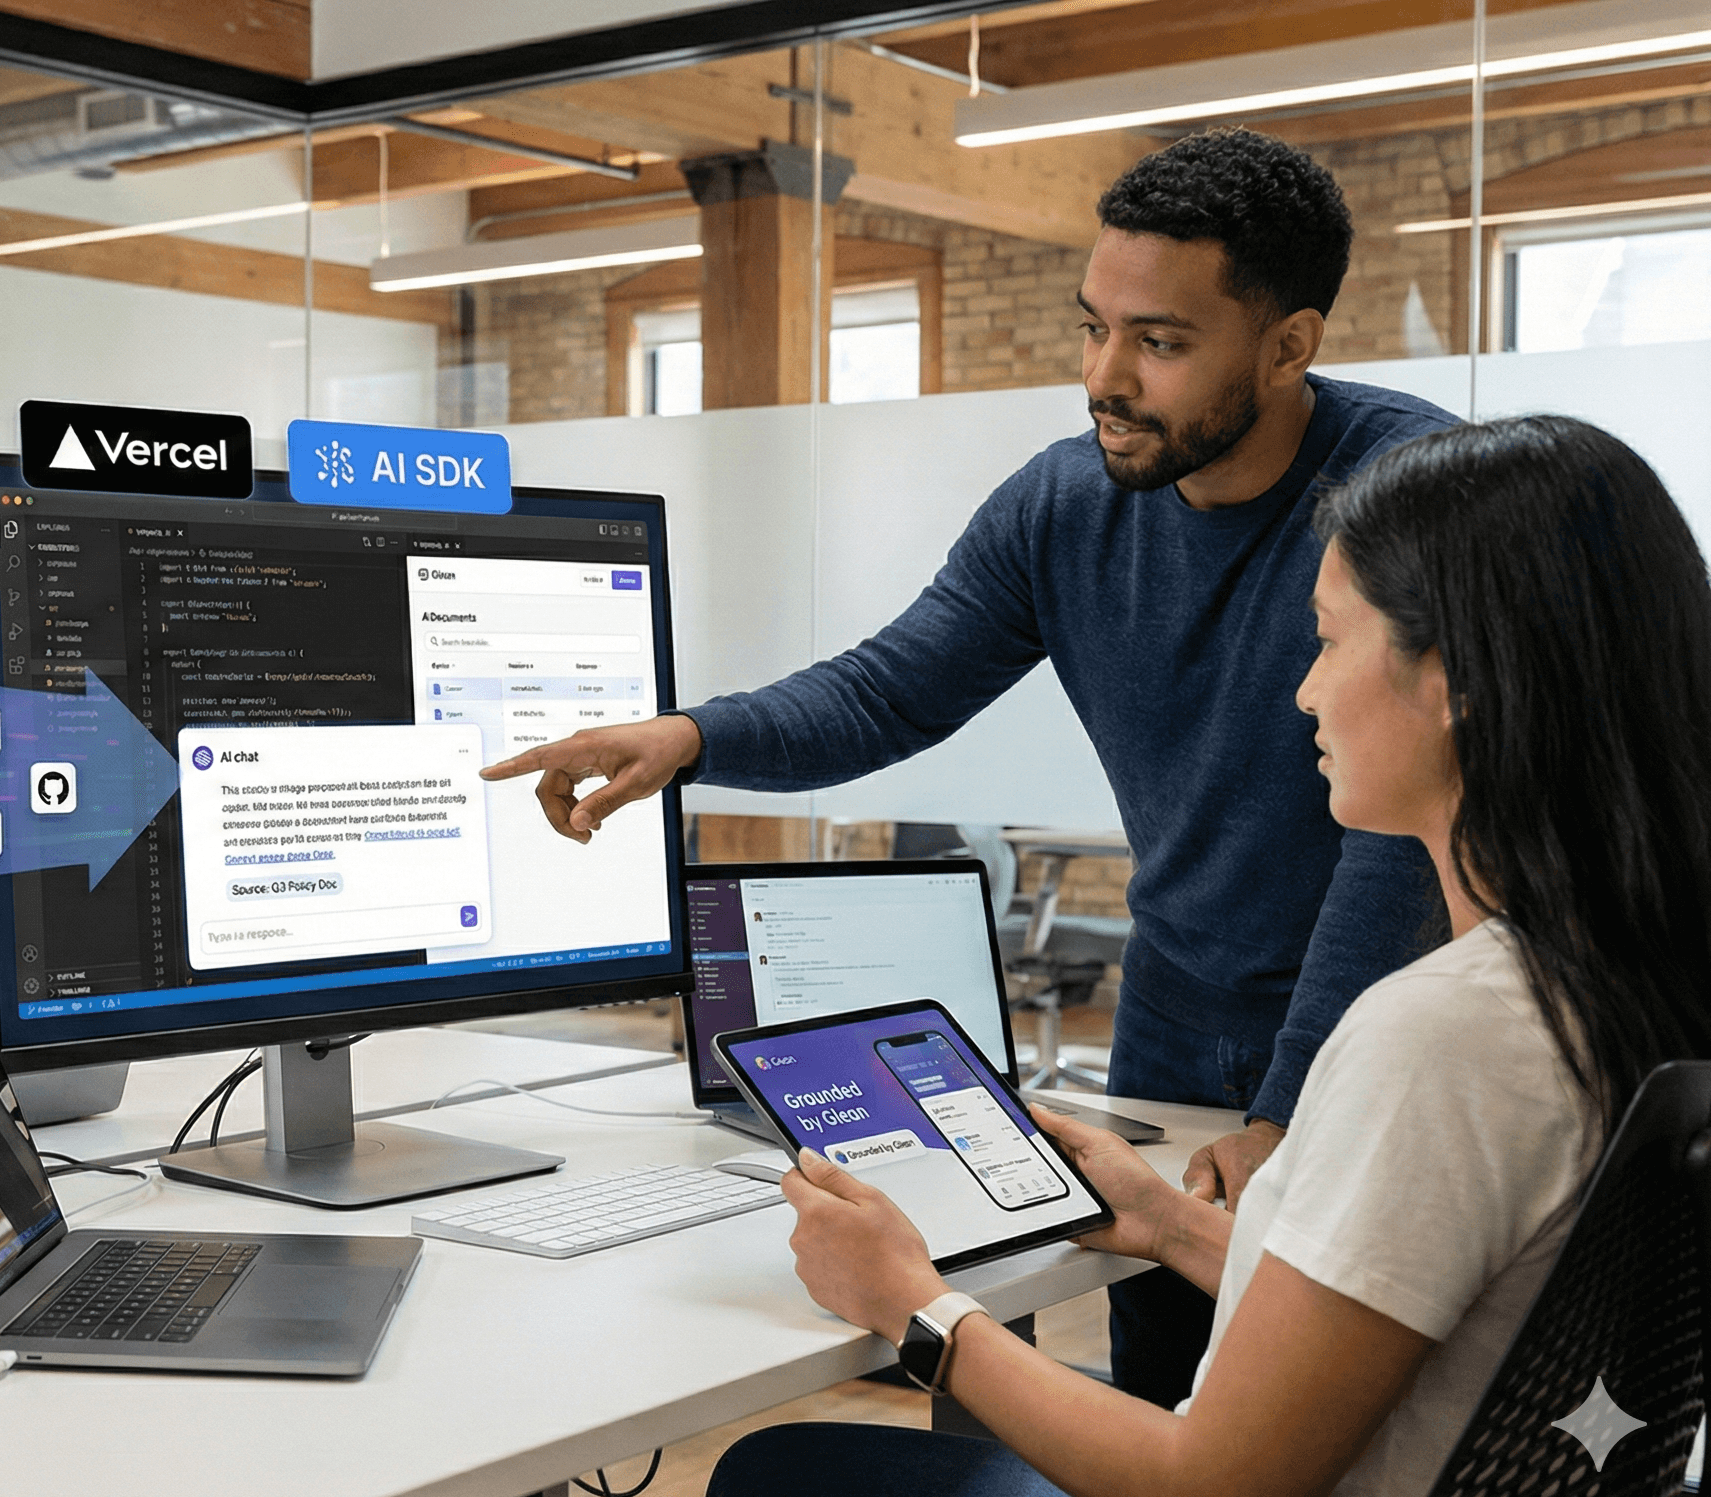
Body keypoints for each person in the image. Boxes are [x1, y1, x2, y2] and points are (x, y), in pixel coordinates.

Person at [483, 127, 1451, 1403]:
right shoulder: (1064, 505)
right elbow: (890, 690)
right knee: (1166, 1384)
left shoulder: (1408, 495)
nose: (1104, 376)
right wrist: (691, 737)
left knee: (1325, 1413)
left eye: (1158, 343)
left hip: (1370, 1023)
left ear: (1288, 345)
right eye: (1090, 327)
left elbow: (1395, 848)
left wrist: (1285, 1108)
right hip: (1172, 1009)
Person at [629, 415, 1711, 1497]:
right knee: (776, 1477)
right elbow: (1426, 1315)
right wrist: (1164, 1225)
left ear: (1455, 682)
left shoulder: (1440, 1037)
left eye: (1329, 643)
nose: (1303, 694)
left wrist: (913, 1303)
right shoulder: (1610, 981)